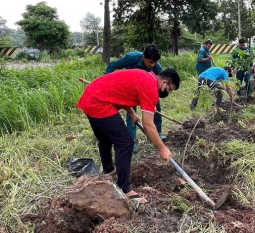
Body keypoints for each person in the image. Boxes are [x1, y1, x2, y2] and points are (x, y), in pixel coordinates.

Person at [77, 68, 180, 203]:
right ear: (164, 83)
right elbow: (148, 125)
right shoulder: (150, 88)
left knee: (105, 138)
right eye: (170, 89)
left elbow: (122, 92)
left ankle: (109, 170)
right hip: (99, 103)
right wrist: (162, 148)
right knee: (125, 143)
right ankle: (125, 188)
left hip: (90, 97)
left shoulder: (145, 76)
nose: (168, 92)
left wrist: (131, 112)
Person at [104, 44, 165, 153]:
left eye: (155, 62)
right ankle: (132, 140)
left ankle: (158, 134)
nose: (153, 65)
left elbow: (162, 78)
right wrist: (104, 79)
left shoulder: (156, 65)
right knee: (131, 113)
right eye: (150, 62)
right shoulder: (131, 57)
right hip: (131, 89)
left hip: (146, 89)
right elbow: (113, 65)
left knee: (157, 108)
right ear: (143, 57)